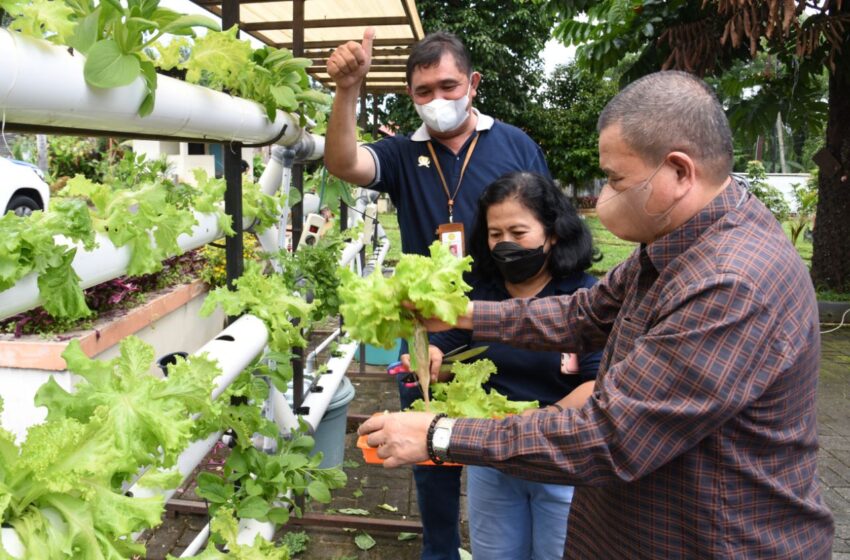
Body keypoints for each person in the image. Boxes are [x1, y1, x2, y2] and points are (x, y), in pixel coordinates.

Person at [359, 71, 835, 558]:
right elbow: (583, 314)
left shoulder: (729, 281)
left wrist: (441, 434)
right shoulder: (676, 248)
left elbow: (611, 437)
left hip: (717, 540)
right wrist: (460, 314)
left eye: (616, 179)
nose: (604, 195)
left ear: (677, 173)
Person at [325, 29, 550, 560]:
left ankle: (514, 541)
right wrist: (347, 91)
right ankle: (441, 550)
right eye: (423, 91)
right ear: (411, 97)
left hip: (505, 321)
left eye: (448, 86)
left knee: (510, 442)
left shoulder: (515, 145)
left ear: (472, 84)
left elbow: (545, 226)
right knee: (428, 455)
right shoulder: (404, 153)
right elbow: (343, 163)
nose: (438, 101)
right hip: (428, 335)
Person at [426, 171, 601, 559]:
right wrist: (431, 359)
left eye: (518, 233)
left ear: (552, 233)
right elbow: (447, 350)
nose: (504, 244)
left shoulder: (583, 298)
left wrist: (533, 425)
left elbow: (598, 386)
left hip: (561, 460)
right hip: (493, 463)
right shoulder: (480, 297)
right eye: (494, 235)